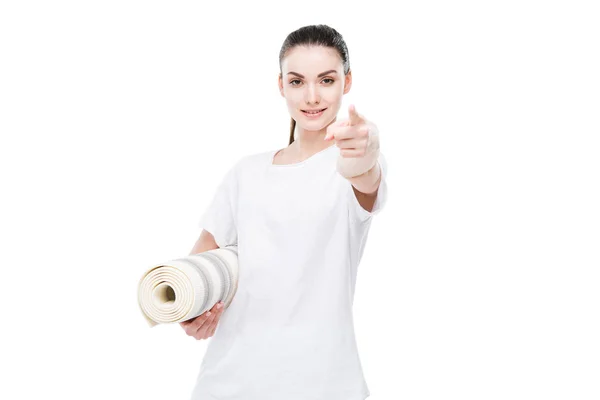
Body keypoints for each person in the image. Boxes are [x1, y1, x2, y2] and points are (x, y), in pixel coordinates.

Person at [180, 24, 388, 400]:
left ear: (347, 81)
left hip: (324, 384)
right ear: (281, 85)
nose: (311, 96)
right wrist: (191, 312)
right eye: (297, 82)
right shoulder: (246, 173)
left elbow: (366, 174)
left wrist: (368, 146)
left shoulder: (350, 164)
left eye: (326, 80)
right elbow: (199, 264)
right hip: (229, 383)